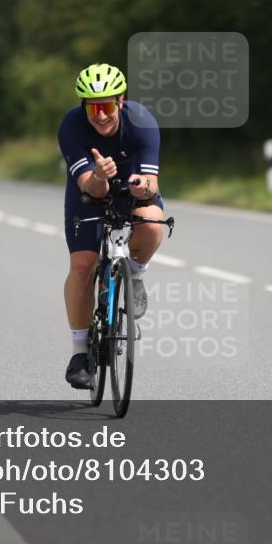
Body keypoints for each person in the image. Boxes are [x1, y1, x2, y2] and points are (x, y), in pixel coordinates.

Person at [58, 63, 165, 389]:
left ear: (120, 100)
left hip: (130, 191)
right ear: (83, 107)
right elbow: (91, 187)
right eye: (92, 107)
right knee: (83, 264)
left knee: (153, 223)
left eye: (106, 106)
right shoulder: (72, 127)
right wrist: (102, 176)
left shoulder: (141, 122)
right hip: (89, 195)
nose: (100, 116)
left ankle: (135, 272)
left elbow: (152, 187)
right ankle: (80, 353)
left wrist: (139, 186)